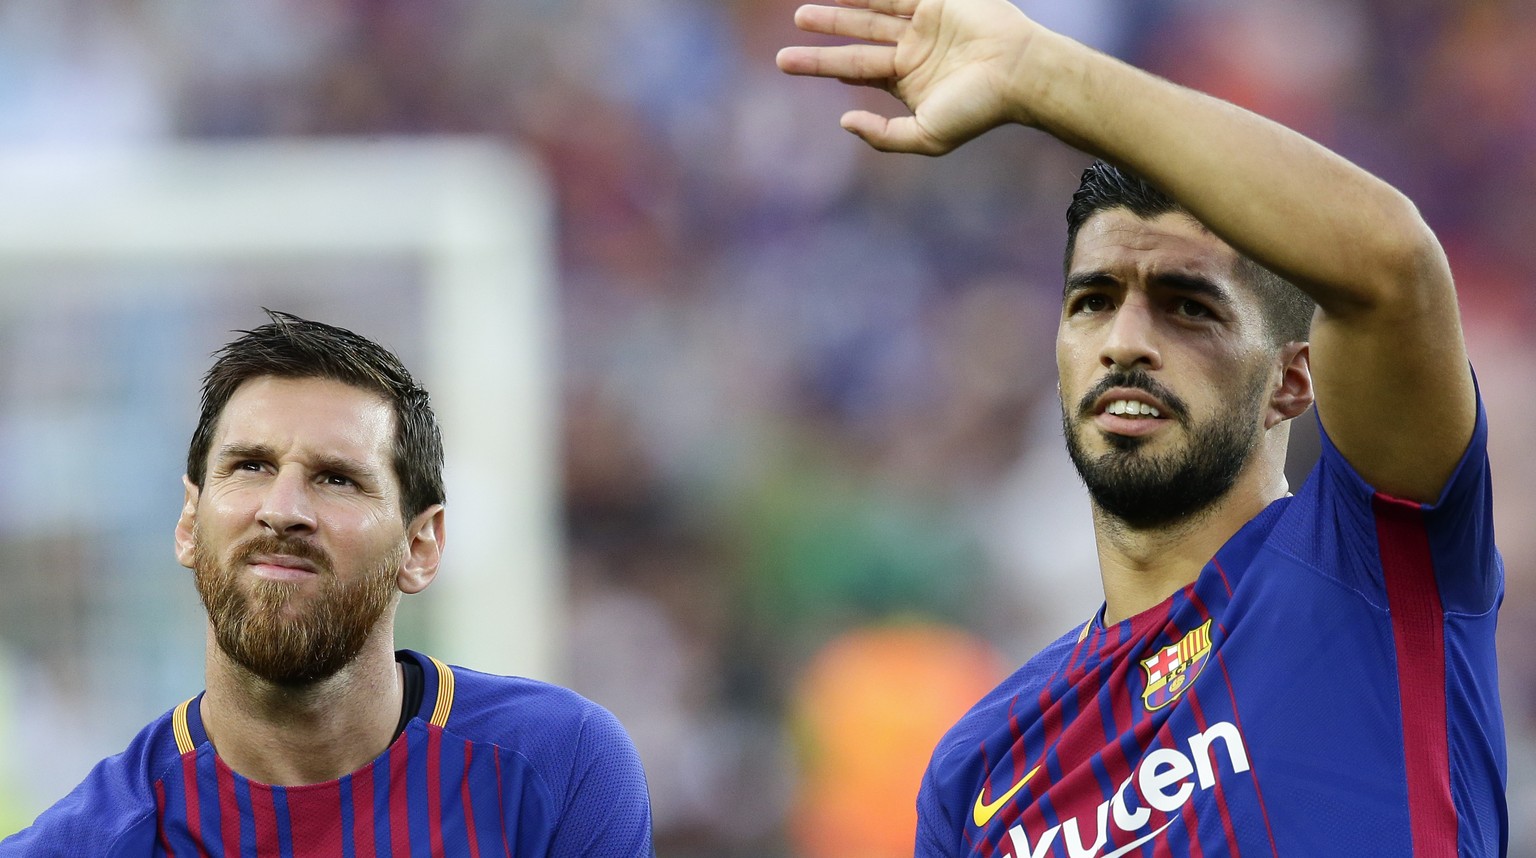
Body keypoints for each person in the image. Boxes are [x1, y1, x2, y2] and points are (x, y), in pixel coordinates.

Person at [779, 1, 1505, 855]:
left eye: (1187, 308)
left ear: (1292, 378)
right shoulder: (979, 768)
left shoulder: (1376, 562)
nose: (1126, 342)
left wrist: (1040, 75)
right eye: (1093, 302)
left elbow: (1392, 263)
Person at [1, 311, 654, 856]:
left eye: (337, 478)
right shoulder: (89, 844)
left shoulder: (558, 769)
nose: (283, 509)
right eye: (251, 465)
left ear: (420, 546)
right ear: (188, 523)